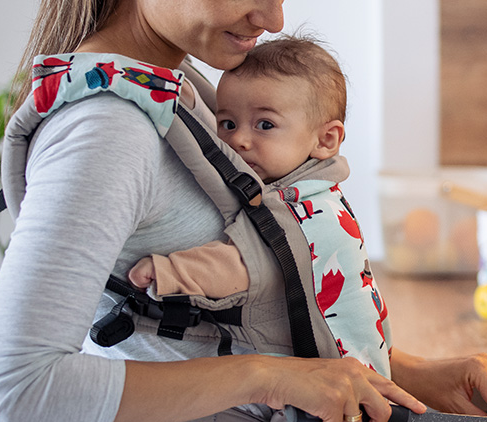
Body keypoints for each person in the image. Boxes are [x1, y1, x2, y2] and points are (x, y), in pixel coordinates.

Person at [0, 0, 487, 422]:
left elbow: (231, 326)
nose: (275, 17)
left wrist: (390, 368)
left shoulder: (181, 89)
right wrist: (269, 379)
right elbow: (17, 395)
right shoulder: (106, 133)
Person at [126, 35, 351, 303]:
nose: (238, 141)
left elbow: (251, 265)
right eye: (228, 124)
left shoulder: (306, 207)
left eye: (265, 125)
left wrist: (170, 272)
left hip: (334, 346)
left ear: (325, 140)